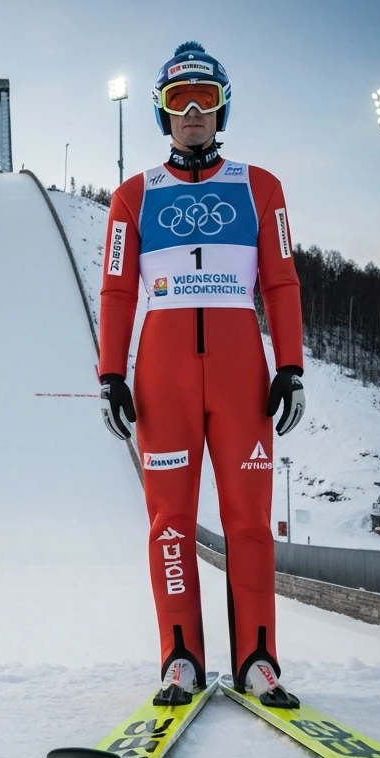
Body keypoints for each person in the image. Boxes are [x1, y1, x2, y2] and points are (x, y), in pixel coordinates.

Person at [98, 41, 306, 708]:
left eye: (205, 98)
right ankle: (180, 657)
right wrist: (111, 373)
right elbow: (116, 290)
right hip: (165, 380)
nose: (193, 112)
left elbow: (281, 282)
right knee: (170, 522)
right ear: (162, 112)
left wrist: (291, 365)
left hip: (242, 376)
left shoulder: (260, 187)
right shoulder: (132, 197)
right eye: (179, 100)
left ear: (222, 109)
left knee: (250, 522)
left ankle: (257, 659)